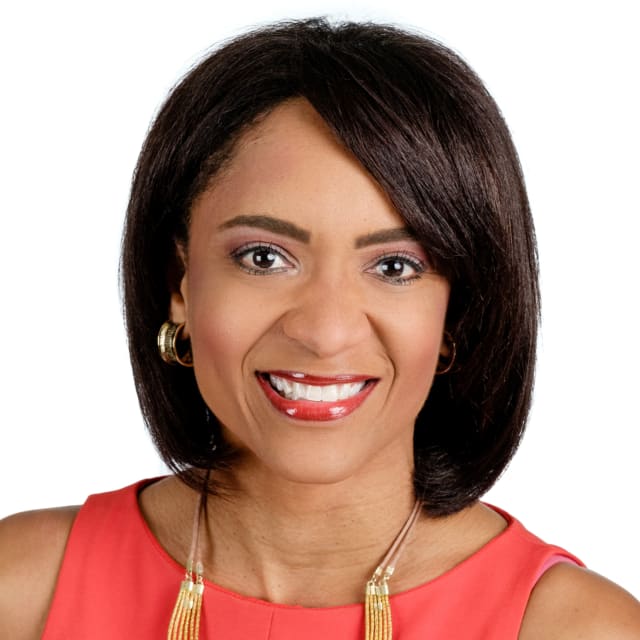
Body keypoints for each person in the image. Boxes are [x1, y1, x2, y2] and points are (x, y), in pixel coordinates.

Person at [1, 18, 639, 640]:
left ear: (457, 314)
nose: (325, 331)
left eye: (394, 266)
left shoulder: (577, 628)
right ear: (179, 285)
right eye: (264, 258)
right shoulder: (22, 589)